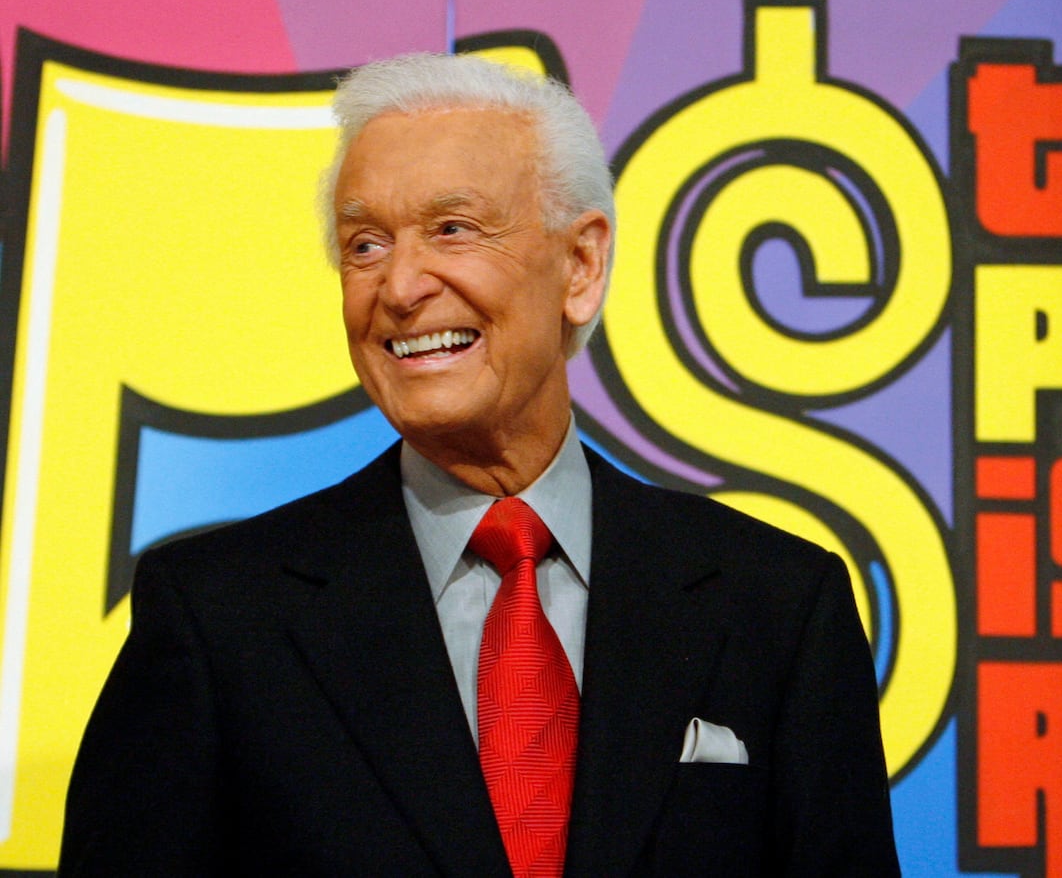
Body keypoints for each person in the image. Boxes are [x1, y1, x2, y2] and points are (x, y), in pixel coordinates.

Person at [60, 52, 899, 877]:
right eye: (364, 245)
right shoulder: (217, 617)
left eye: (452, 229)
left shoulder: (780, 606)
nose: (398, 286)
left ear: (580, 266)